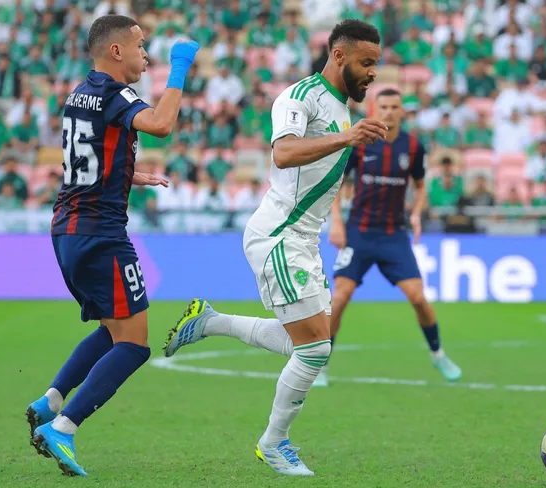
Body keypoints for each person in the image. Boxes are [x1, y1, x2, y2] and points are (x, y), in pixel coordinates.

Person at [163, 20, 386, 476]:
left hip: (305, 239)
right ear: (339, 56)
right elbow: (283, 153)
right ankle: (273, 442)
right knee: (316, 349)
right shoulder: (300, 97)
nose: (373, 73)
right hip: (280, 234)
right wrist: (348, 137)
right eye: (366, 62)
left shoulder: (341, 108)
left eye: (375, 64)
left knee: (300, 341)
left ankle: (209, 321)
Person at [23, 15, 198, 477]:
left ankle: (50, 400)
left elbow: (88, 160)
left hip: (66, 230)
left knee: (112, 330)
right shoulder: (116, 94)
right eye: (140, 46)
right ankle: (63, 427)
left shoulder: (78, 94)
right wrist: (180, 67)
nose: (147, 55)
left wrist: (130, 174)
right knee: (135, 346)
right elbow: (161, 124)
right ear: (116, 51)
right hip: (101, 235)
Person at [320, 88, 461, 388]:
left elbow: (420, 187)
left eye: (394, 107)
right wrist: (337, 223)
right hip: (359, 232)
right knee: (340, 297)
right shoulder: (360, 142)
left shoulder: (413, 147)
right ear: (375, 109)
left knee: (418, 297)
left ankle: (438, 354)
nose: (388, 112)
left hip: (394, 235)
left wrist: (416, 214)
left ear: (402, 112)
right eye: (383, 106)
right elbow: (337, 183)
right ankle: (320, 366)